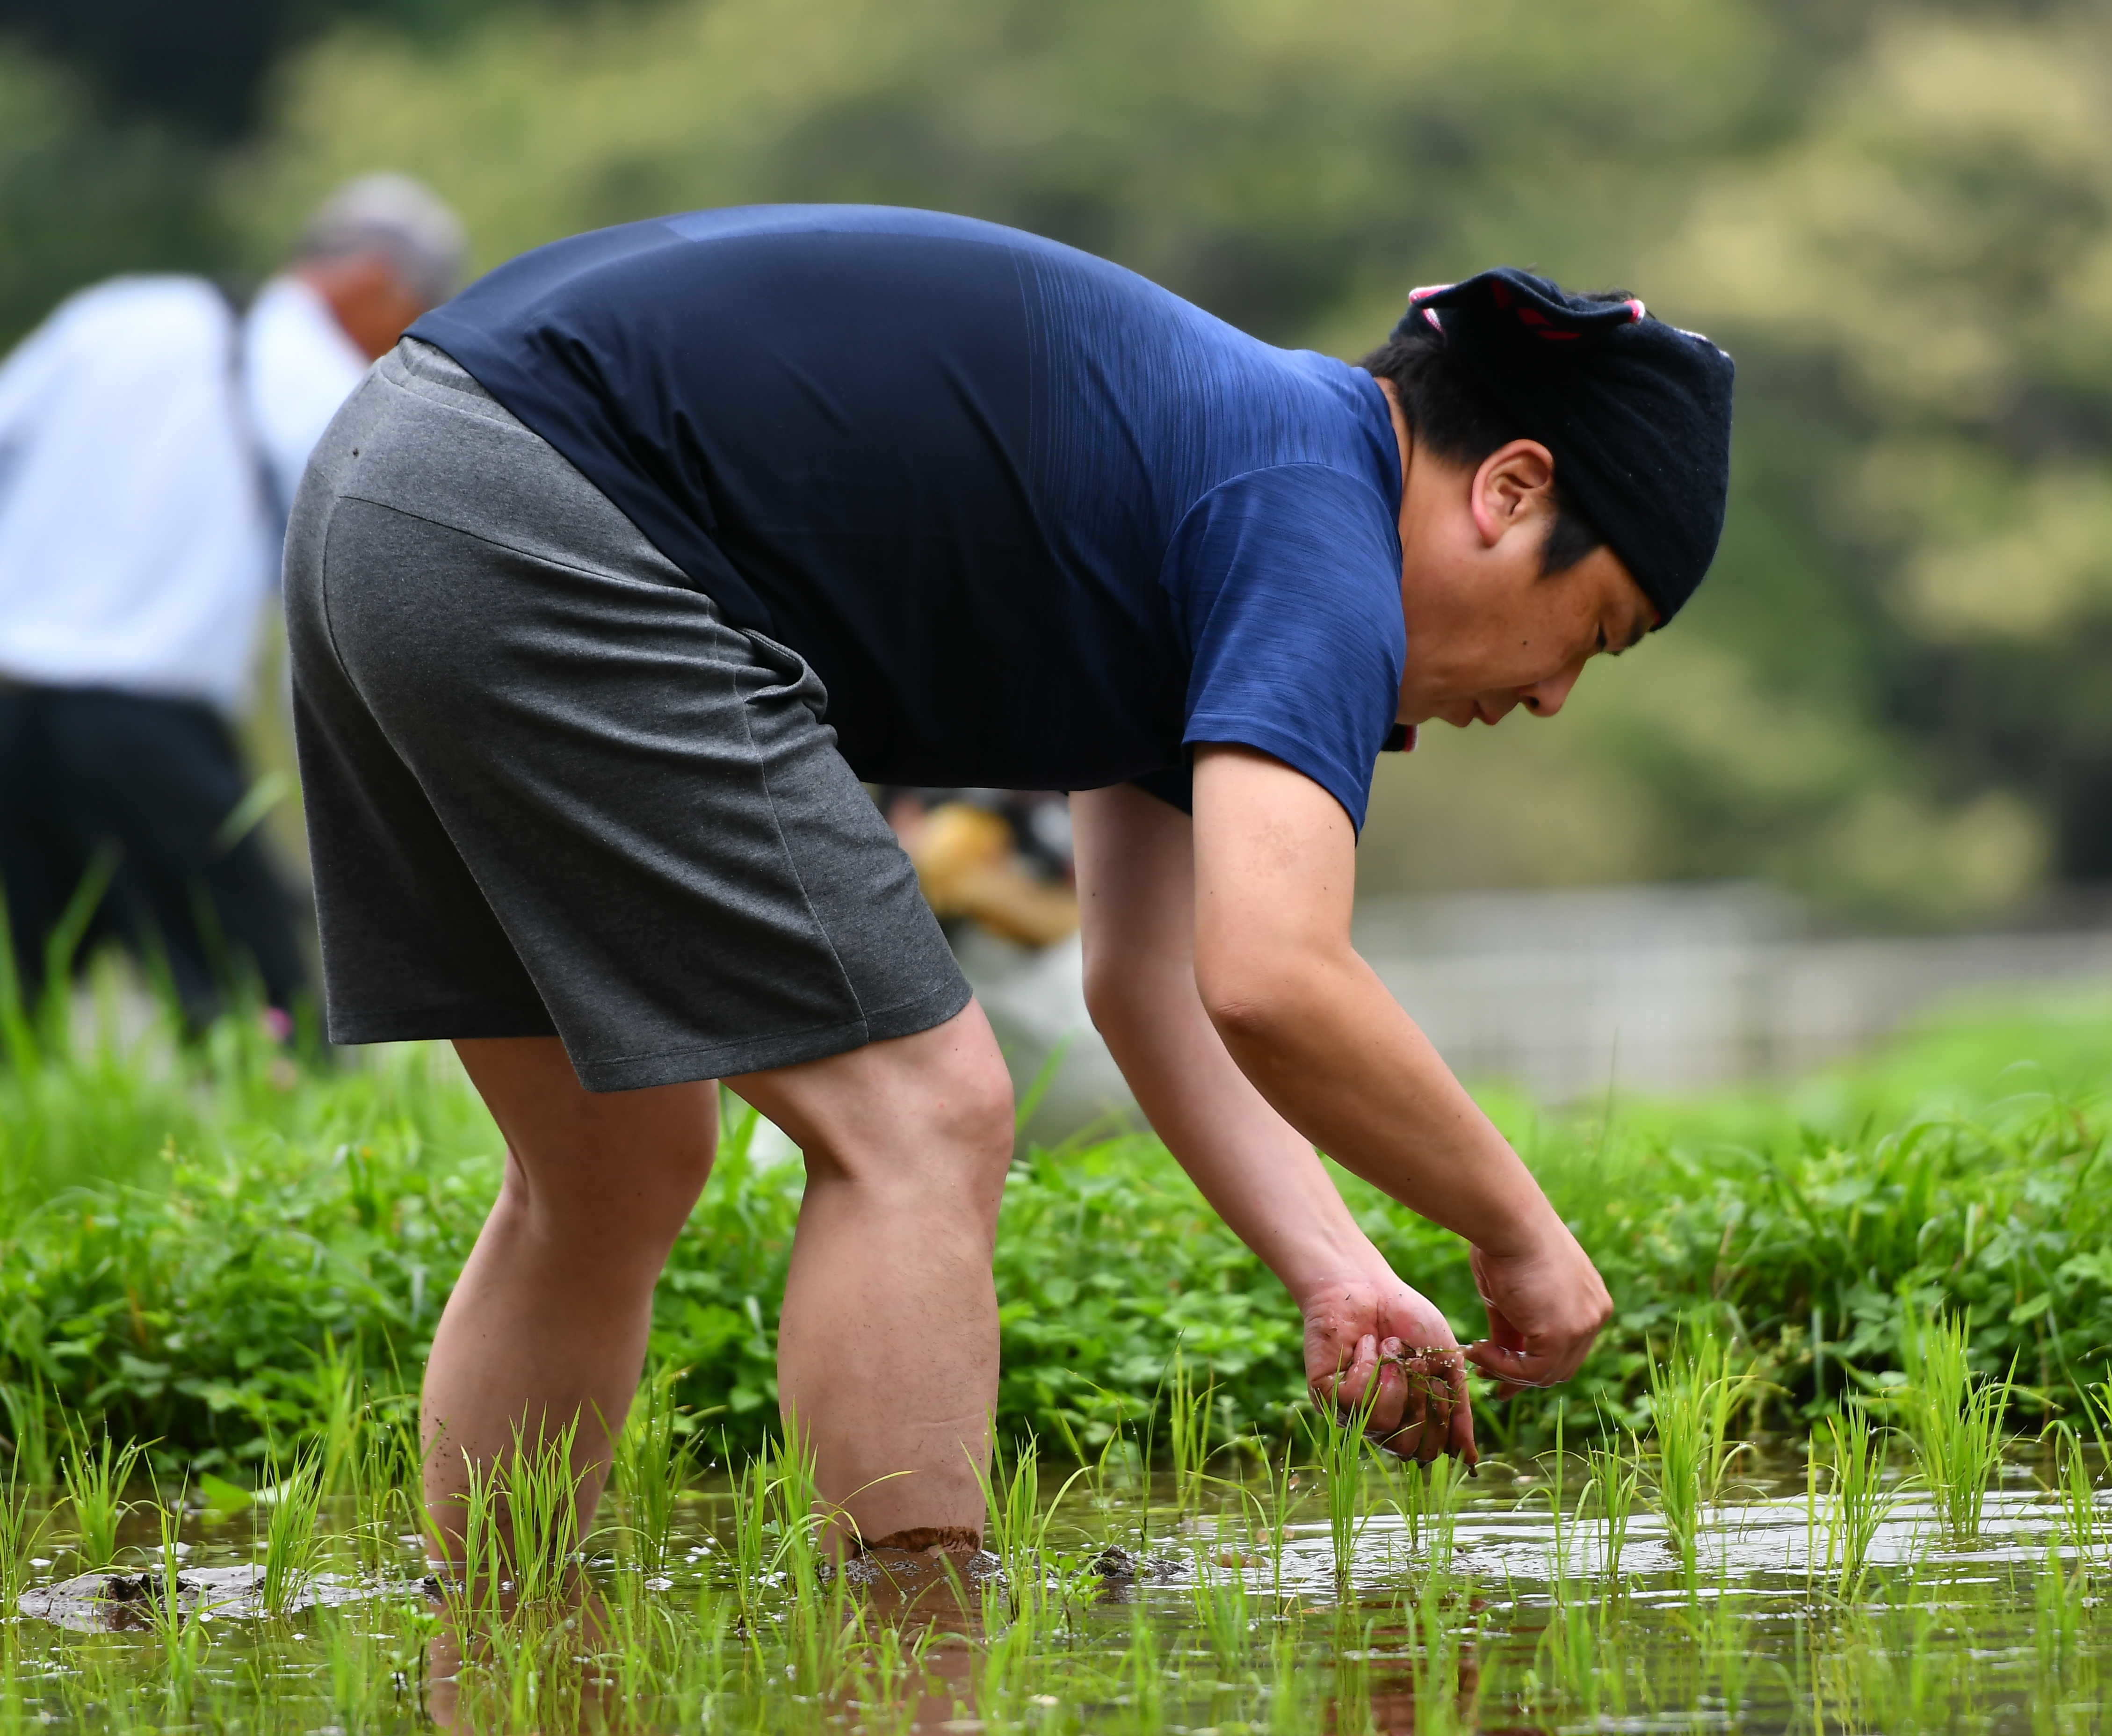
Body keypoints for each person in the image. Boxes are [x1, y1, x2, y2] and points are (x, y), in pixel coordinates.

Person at [283, 206, 1734, 1566]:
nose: (1551, 697)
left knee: (610, 1171)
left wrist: (1335, 1265)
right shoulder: (1317, 509)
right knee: (923, 1115)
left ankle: (498, 1651)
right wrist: (1519, 1234)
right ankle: (918, 1675)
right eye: (1589, 631)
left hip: (394, 485)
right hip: (545, 509)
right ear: (1511, 487)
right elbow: (1278, 975)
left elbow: (1156, 980)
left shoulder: (1239, 482)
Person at [0, 174, 467, 1028]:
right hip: (143, 731)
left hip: (9, 708)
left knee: (19, 1013)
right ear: (376, 285)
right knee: (265, 1014)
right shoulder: (323, 377)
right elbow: (362, 566)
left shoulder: (114, 314)